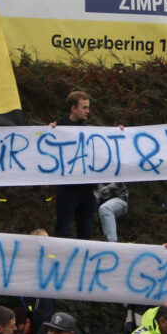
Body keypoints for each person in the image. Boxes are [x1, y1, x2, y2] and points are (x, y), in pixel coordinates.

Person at [51, 92, 98, 240]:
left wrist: (119, 131)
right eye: (84, 107)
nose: (88, 111)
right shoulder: (58, 127)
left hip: (87, 189)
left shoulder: (88, 130)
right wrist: (49, 131)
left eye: (88, 108)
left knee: (85, 233)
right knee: (62, 230)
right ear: (73, 108)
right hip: (67, 189)